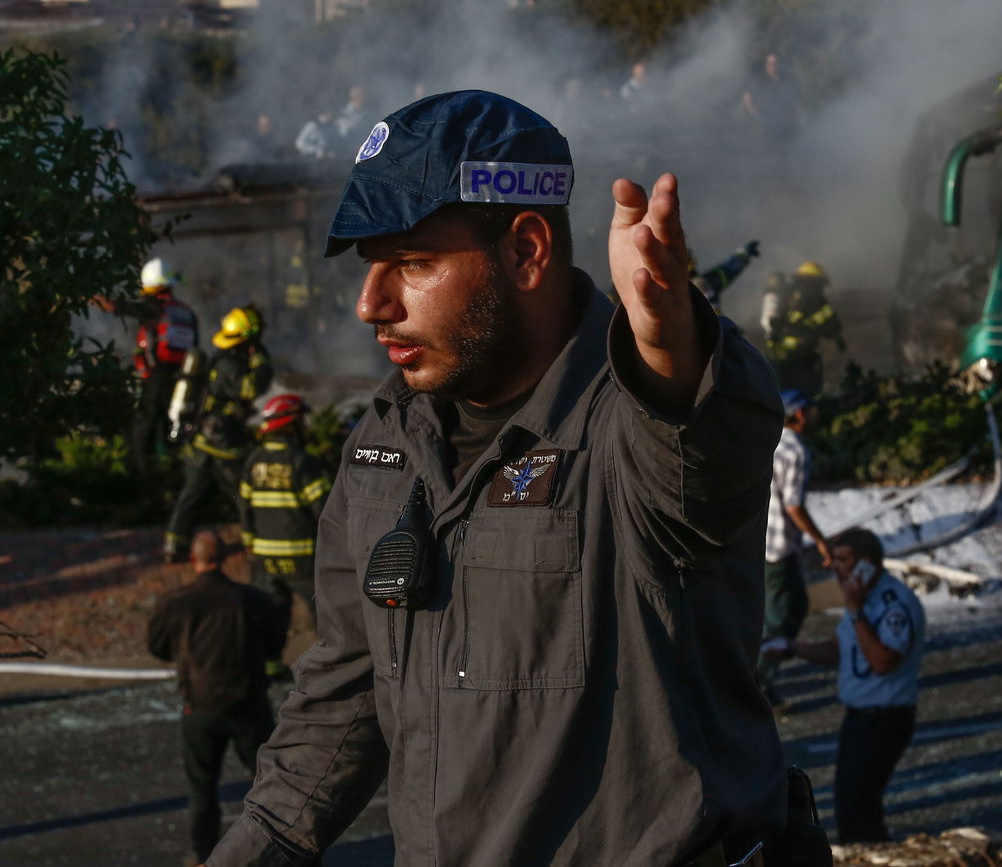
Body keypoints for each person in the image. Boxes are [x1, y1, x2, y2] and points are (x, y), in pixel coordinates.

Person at [204, 90, 798, 866]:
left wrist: (671, 342)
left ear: (525, 251)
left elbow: (700, 444)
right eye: (371, 264)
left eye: (412, 262)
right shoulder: (384, 447)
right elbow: (346, 696)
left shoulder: (631, 421)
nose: (369, 303)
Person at [764, 529, 925, 843]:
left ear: (865, 564)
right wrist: (794, 648)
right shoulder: (862, 601)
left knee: (857, 806)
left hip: (884, 717)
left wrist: (855, 609)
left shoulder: (893, 604)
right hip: (861, 717)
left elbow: (882, 661)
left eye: (842, 560)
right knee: (851, 804)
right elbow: (840, 649)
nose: (833, 567)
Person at [147, 530, 286, 865]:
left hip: (200, 706)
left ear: (193, 560)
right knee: (270, 784)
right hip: (248, 704)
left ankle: (201, 855)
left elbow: (157, 646)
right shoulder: (251, 599)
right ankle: (280, 850)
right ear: (225, 559)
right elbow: (274, 642)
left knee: (202, 788)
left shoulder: (175, 602)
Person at [164, 305, 274, 563]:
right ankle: (254, 543)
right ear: (249, 337)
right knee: (244, 494)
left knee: (190, 497)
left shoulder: (219, 357)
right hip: (225, 445)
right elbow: (251, 389)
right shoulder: (231, 363)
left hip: (202, 443)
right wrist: (261, 359)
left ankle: (174, 545)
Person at [756, 389, 834, 709]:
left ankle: (759, 675)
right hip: (778, 547)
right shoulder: (796, 451)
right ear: (799, 414)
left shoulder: (768, 440)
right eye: (810, 411)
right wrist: (821, 540)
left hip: (760, 541)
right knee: (784, 615)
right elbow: (794, 507)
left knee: (777, 610)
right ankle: (758, 681)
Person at [239, 393, 331, 656]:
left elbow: (244, 507)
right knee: (323, 614)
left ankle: (269, 667)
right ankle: (331, 669)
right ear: (291, 424)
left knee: (270, 615)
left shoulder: (253, 461)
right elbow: (325, 511)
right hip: (301, 558)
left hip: (265, 558)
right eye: (301, 420)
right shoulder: (302, 462)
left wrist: (250, 544)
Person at [128, 257, 199, 470]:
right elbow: (195, 347)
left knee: (144, 429)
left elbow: (145, 346)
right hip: (183, 377)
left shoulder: (153, 309)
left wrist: (143, 371)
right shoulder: (186, 311)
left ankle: (143, 477)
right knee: (173, 428)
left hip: (157, 376)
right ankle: (172, 470)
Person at [765, 261, 844, 394]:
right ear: (816, 281)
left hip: (774, 354)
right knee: (805, 396)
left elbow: (772, 320)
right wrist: (838, 337)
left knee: (780, 397)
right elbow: (831, 326)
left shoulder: (785, 292)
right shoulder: (815, 299)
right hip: (801, 357)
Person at [693, 240, 762, 312]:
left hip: (721, 275)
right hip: (721, 275)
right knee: (733, 265)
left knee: (734, 265)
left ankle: (747, 252)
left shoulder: (708, 294)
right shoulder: (708, 297)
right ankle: (746, 252)